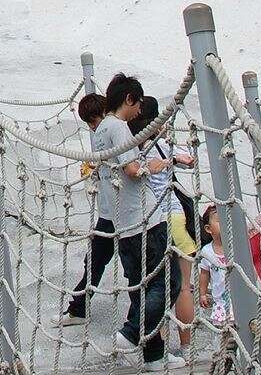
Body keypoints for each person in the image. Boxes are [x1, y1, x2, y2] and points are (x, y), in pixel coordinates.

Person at [108, 76, 179, 370]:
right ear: (128, 99)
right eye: (137, 104)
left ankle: (154, 355)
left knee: (142, 286)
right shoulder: (119, 127)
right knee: (169, 282)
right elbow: (132, 168)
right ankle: (130, 332)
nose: (139, 112)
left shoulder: (102, 129)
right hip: (144, 221)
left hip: (124, 222)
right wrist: (155, 165)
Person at [130, 95, 197, 365]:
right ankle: (186, 346)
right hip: (173, 215)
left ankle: (160, 348)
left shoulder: (132, 147)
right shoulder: (162, 146)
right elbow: (189, 159)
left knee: (157, 286)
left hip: (150, 221)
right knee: (181, 287)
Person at [63, 91, 116, 325]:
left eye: (94, 122)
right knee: (94, 259)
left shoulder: (117, 131)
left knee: (137, 267)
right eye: (90, 125)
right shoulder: (100, 135)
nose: (93, 128)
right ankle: (78, 308)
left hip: (126, 213)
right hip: (108, 211)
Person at [196, 205, 231, 329]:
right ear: (208, 228)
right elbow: (204, 274)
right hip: (220, 302)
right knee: (222, 333)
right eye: (220, 221)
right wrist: (203, 294)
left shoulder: (235, 247)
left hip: (238, 300)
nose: (226, 223)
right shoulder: (207, 251)